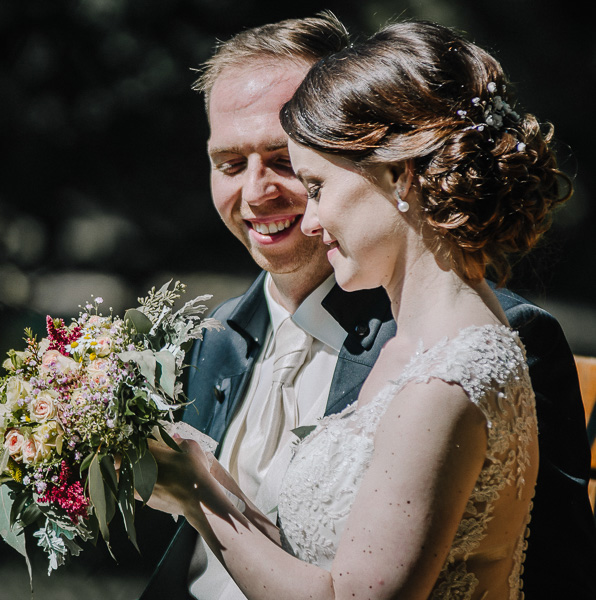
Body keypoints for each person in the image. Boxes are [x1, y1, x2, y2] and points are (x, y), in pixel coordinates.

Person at [140, 13, 596, 600]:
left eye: (294, 167)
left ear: (393, 169)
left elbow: (559, 575)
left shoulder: (469, 355)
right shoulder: (215, 336)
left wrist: (196, 490)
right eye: (230, 164)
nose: (257, 193)